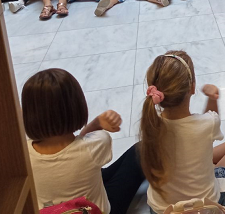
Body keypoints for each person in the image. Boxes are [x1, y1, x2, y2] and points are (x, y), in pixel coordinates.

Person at [140, 51, 225, 213]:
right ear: (192, 87)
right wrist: (212, 98)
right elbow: (211, 121)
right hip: (204, 208)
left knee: (198, 152)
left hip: (160, 210)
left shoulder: (150, 124)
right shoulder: (206, 125)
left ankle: (201, 161)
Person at [22, 68, 144, 214]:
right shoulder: (97, 144)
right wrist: (97, 123)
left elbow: (79, 146)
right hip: (96, 210)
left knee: (92, 169)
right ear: (77, 107)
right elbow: (82, 144)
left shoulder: (24, 154)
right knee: (141, 150)